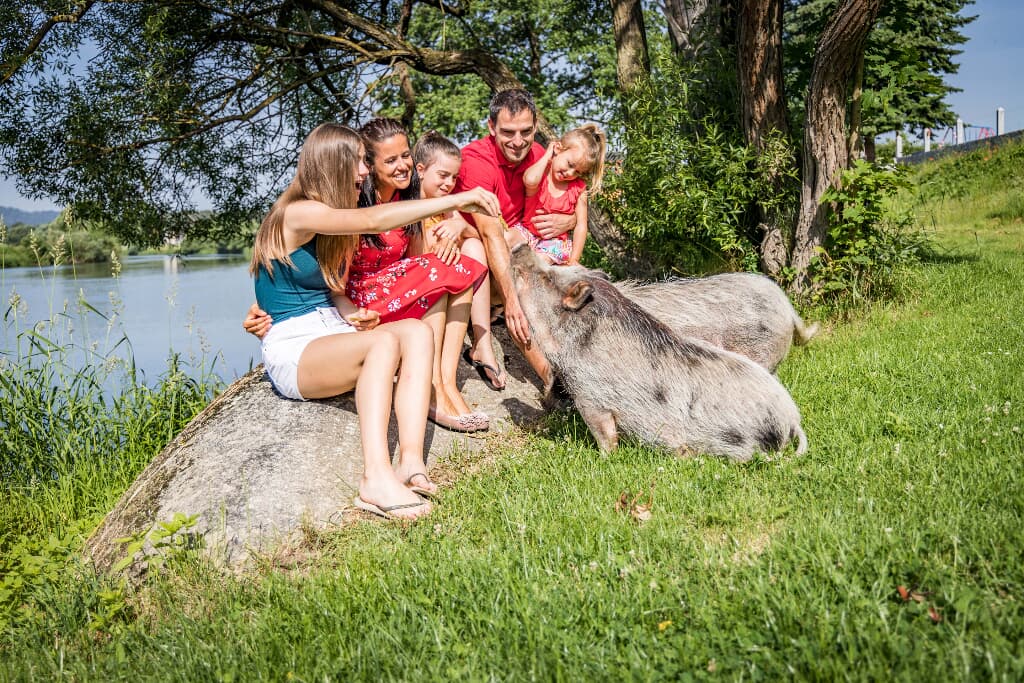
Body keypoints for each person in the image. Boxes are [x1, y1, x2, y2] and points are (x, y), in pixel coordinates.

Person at [250, 122, 499, 520]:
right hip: (296, 347)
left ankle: (410, 464)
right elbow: (375, 221)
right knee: (383, 343)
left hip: (333, 330)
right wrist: (462, 198)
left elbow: (332, 288)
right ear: (332, 164)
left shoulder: (332, 219)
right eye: (358, 162)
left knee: (416, 333)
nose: (365, 171)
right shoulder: (299, 213)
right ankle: (374, 479)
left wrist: (352, 312)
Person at [454, 88, 577, 388]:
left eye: (526, 131)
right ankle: (555, 382)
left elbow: (565, 199)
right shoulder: (475, 161)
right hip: (481, 258)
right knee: (522, 293)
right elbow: (490, 234)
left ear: (535, 126)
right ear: (491, 127)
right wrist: (511, 300)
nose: (518, 141)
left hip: (519, 247)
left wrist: (570, 220)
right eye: (508, 132)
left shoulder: (540, 156)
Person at [413, 130, 506, 391]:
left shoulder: (445, 202)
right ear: (421, 170)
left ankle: (482, 342)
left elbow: (473, 237)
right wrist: (441, 243)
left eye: (454, 177)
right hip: (423, 279)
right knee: (454, 260)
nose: (449, 183)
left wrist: (460, 227)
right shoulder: (412, 203)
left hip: (447, 272)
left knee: (474, 245)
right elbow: (416, 251)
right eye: (443, 175)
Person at [515, 124, 606, 266]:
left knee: (540, 261)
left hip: (554, 242)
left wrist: (574, 259)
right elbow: (530, 181)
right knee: (506, 237)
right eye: (570, 164)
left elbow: (581, 226)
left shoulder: (578, 189)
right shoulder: (541, 173)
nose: (570, 173)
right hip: (527, 231)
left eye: (578, 172)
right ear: (557, 149)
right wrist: (548, 155)